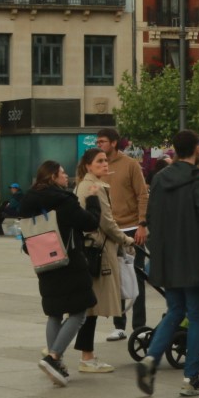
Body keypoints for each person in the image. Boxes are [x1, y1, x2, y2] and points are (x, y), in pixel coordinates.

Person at [135, 129, 199, 398]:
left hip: (168, 257)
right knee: (198, 314)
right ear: (197, 150)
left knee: (175, 310)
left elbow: (152, 216)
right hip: (195, 257)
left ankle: (151, 359)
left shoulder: (160, 178)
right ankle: (191, 377)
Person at [18, 160, 100, 387]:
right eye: (62, 174)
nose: (66, 177)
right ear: (53, 176)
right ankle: (53, 357)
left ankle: (57, 364)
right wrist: (93, 199)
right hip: (69, 261)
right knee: (79, 311)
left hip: (43, 260)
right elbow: (90, 223)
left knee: (54, 312)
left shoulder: (28, 200)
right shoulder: (63, 200)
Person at [73, 148, 135, 373]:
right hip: (98, 251)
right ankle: (84, 356)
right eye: (100, 161)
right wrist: (126, 239)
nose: (105, 164)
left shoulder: (83, 184)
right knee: (92, 306)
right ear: (89, 165)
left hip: (88, 248)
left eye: (106, 160)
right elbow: (106, 222)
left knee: (89, 306)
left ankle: (69, 350)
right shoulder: (95, 187)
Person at [94, 129, 149, 343]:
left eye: (103, 141)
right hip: (109, 230)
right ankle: (119, 325)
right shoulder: (96, 167)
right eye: (98, 141)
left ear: (114, 143)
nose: (100, 144)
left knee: (137, 277)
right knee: (115, 279)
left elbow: (142, 195)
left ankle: (140, 326)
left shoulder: (130, 165)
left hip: (132, 228)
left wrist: (142, 224)